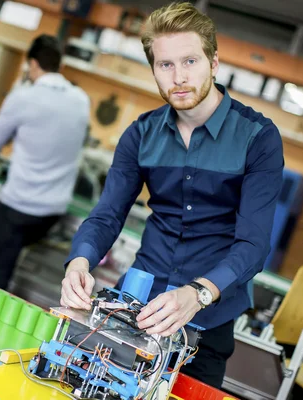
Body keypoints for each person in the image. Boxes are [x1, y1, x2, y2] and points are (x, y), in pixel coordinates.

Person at [60, 2, 284, 389]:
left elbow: (253, 244)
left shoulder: (257, 138)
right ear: (153, 70)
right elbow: (107, 215)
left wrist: (198, 293)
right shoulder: (140, 135)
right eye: (165, 65)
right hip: (137, 308)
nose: (178, 77)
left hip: (207, 325)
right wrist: (79, 262)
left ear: (214, 63)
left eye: (190, 61)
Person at [0, 34, 90, 291]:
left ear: (33, 64)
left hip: (19, 206)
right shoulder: (81, 99)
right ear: (59, 65)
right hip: (52, 213)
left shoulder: (23, 97)